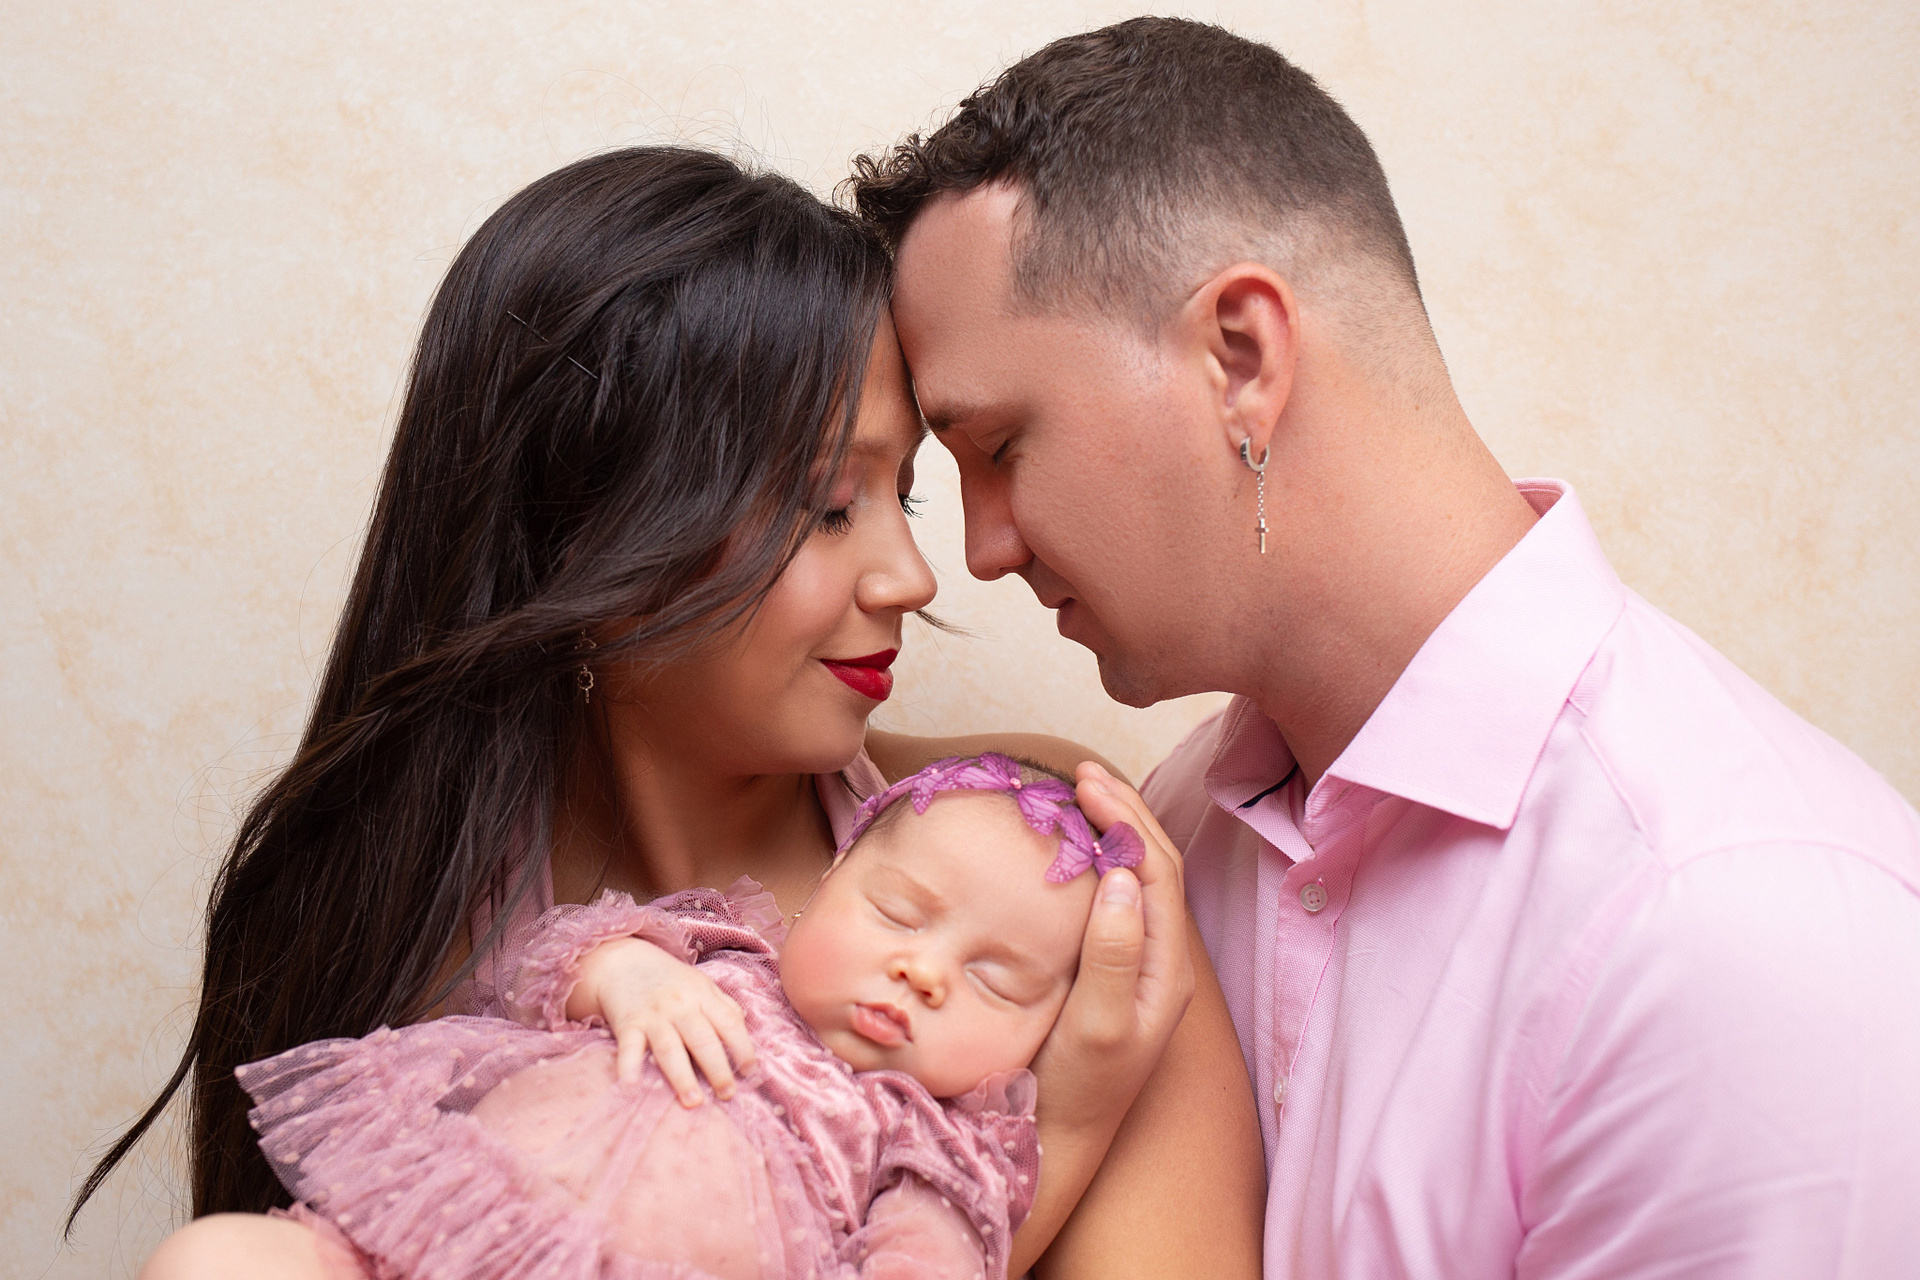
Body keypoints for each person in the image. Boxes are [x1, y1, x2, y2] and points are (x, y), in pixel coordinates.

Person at [72, 146, 1265, 1278]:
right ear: (589, 537)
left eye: (899, 492)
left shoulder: (1033, 870)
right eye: (825, 505)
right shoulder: (400, 913)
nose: (913, 576)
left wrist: (1069, 1112)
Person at [852, 16, 1920, 1277]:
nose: (980, 550)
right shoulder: (1172, 836)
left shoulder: (1744, 936)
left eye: (1002, 446)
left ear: (1240, 356)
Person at [145, 754, 1142, 1280]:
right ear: (830, 883)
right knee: (215, 1261)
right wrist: (623, 972)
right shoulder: (720, 953)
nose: (921, 970)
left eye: (994, 981)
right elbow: (544, 967)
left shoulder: (930, 1145)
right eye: (898, 914)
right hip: (452, 1225)